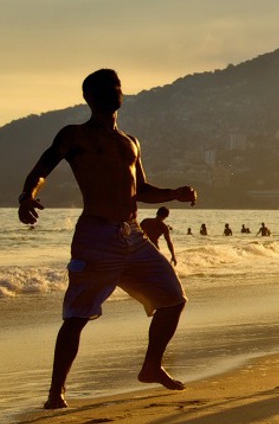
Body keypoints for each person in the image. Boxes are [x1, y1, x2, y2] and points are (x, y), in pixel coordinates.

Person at [16, 69, 194, 409]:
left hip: (134, 236)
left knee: (174, 299)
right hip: (96, 235)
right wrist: (27, 195)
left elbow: (141, 190)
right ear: (89, 97)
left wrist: (176, 193)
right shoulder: (74, 135)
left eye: (117, 86)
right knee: (77, 315)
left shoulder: (130, 142)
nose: (114, 91)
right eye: (105, 88)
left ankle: (151, 366)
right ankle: (56, 392)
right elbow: (42, 169)